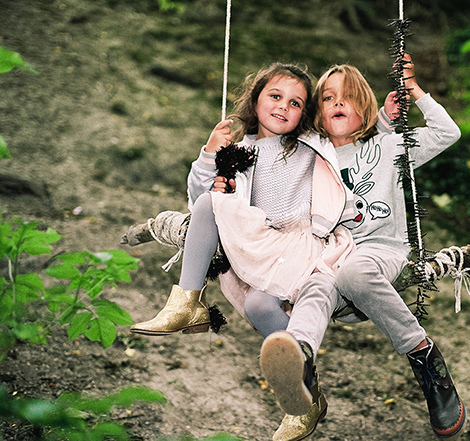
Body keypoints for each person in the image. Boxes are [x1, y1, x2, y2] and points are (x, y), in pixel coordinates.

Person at [254, 56, 467, 440]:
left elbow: (446, 132)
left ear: (365, 108)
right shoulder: (310, 154)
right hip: (332, 253)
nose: (338, 103)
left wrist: (413, 91)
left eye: (348, 97)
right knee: (316, 286)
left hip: (381, 252)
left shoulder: (389, 146)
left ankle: (424, 357)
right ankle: (299, 363)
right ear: (317, 112)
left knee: (353, 271)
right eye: (329, 98)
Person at [130, 63, 356, 342]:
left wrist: (385, 119)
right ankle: (187, 303)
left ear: (304, 114)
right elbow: (198, 199)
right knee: (210, 204)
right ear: (255, 99)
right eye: (275, 96)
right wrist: (210, 155)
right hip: (257, 243)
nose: (283, 106)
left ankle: (297, 367)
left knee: (259, 305)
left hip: (299, 246)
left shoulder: (310, 146)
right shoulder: (238, 153)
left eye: (294, 103)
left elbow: (351, 125)